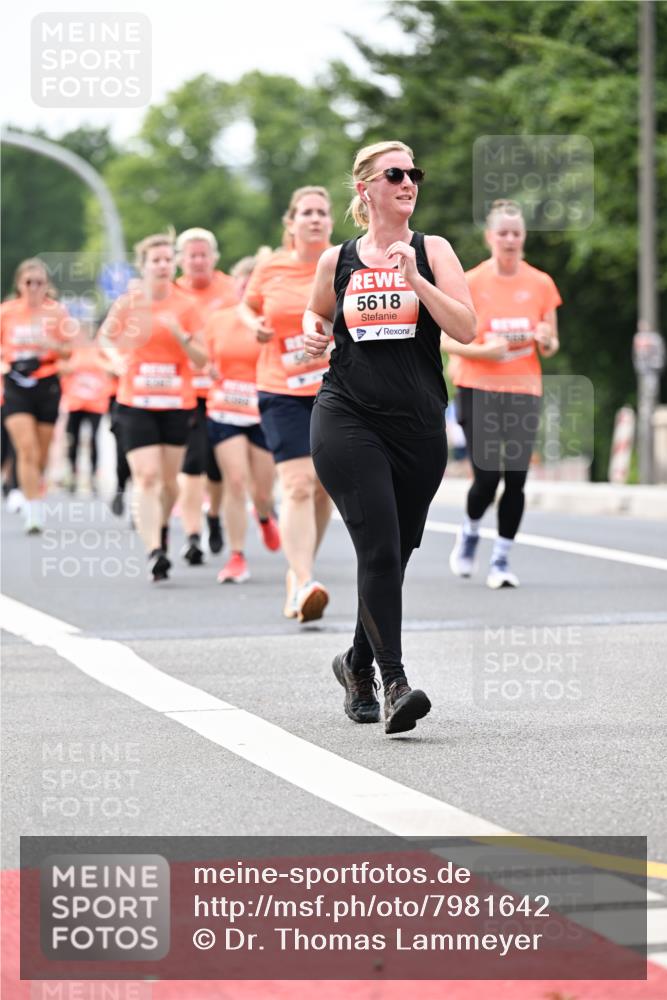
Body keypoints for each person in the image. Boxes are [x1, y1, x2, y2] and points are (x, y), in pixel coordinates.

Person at [303, 141, 475, 734]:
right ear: (366, 189)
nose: (408, 182)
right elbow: (317, 315)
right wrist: (312, 339)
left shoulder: (434, 250)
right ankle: (393, 682)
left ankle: (354, 664)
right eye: (394, 174)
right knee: (377, 548)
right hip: (346, 415)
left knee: (392, 555)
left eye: (413, 173)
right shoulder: (339, 259)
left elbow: (468, 327)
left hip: (419, 424)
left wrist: (416, 282)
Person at [443, 199, 561, 589]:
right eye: (503, 233)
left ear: (523, 237)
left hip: (523, 388)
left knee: (517, 478)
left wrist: (546, 339)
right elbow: (445, 340)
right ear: (490, 237)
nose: (510, 239)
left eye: (516, 233)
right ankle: (471, 531)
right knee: (488, 474)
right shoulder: (471, 281)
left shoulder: (540, 283)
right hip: (477, 386)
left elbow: (550, 343)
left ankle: (501, 560)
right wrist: (483, 351)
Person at [240, 187, 334, 622]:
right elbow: (246, 305)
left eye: (322, 213)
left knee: (323, 488)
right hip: (281, 388)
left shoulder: (343, 262)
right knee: (297, 483)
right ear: (290, 223)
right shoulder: (271, 266)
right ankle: (304, 579)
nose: (314, 219)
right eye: (306, 213)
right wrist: (256, 324)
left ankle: (299, 579)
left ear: (331, 221)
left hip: (335, 388)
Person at [99, 233, 207, 581]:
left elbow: (202, 360)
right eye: (154, 260)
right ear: (143, 266)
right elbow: (105, 337)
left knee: (169, 483)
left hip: (176, 402)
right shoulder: (129, 303)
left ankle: (159, 526)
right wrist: (115, 358)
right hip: (135, 401)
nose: (162, 265)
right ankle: (154, 550)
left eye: (166, 260)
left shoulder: (187, 305)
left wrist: (182, 337)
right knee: (146, 477)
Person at [205, 254, 280, 583]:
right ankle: (236, 556)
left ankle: (264, 517)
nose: (246, 287)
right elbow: (204, 358)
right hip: (224, 411)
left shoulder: (270, 323)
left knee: (261, 492)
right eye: (241, 281)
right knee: (235, 481)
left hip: (263, 410)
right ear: (234, 285)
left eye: (253, 282)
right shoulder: (218, 320)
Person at [175, 228, 237, 562]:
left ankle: (213, 517)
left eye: (203, 255)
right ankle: (192, 535)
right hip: (186, 392)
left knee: (217, 469)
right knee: (192, 463)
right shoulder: (172, 294)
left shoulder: (230, 290)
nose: (198, 261)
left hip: (225, 390)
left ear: (213, 258)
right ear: (180, 260)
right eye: (191, 255)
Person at [0, 258, 75, 533]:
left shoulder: (57, 313)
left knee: (41, 454)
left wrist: (50, 344)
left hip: (46, 384)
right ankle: (33, 511)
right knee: (26, 449)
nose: (34, 287)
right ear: (19, 284)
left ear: (47, 285)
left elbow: (70, 350)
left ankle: (35, 487)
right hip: (16, 384)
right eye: (28, 282)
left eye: (39, 282)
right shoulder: (6, 312)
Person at [59, 329, 115, 494]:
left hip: (96, 403)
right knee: (72, 439)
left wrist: (100, 365)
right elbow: (60, 367)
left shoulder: (102, 351)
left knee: (94, 439)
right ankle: (72, 474)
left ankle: (93, 475)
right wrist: (73, 365)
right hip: (75, 402)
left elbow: (113, 369)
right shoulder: (73, 349)